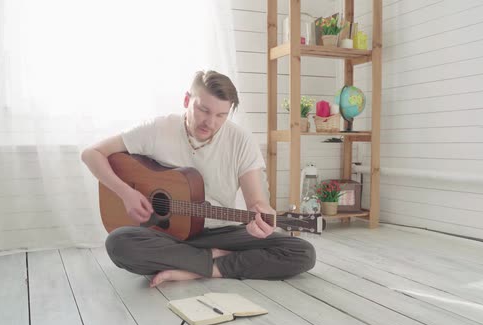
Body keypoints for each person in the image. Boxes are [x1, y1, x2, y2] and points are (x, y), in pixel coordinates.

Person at [81, 70, 316, 287]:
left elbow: (257, 202)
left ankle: (198, 268)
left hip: (222, 233)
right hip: (168, 237)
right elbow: (91, 153)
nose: (210, 122)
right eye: (203, 110)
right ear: (187, 101)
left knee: (302, 252)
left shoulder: (241, 140)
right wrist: (126, 193)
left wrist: (264, 218)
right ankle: (215, 261)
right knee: (119, 243)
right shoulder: (157, 129)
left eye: (221, 115)